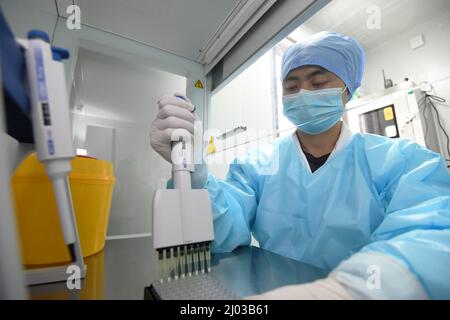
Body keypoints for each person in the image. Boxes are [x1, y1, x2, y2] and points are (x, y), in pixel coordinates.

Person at [150, 31, 450, 299]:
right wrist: (195, 173)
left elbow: (433, 234)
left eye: (319, 82)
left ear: (348, 89)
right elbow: (225, 232)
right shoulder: (258, 165)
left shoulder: (400, 161)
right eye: (291, 86)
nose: (303, 94)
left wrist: (347, 290)